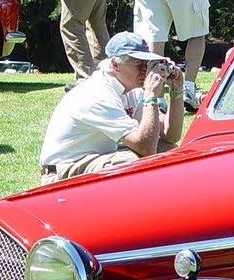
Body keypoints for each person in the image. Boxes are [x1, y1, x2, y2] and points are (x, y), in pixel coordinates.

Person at [40, 32, 185, 184]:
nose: (145, 70)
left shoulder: (131, 89)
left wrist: (176, 91)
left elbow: (170, 136)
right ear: (115, 65)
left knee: (168, 150)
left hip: (94, 158)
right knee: (132, 163)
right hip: (61, 172)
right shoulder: (98, 94)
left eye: (147, 64)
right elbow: (146, 148)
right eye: (139, 64)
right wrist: (150, 95)